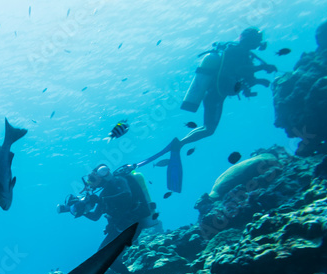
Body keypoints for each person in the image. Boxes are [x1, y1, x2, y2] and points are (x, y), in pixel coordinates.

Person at [141, 27, 277, 192]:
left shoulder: (242, 54)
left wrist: (260, 81)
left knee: (207, 127)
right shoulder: (237, 52)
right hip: (215, 95)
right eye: (256, 39)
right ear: (250, 40)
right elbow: (240, 71)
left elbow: (245, 78)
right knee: (210, 129)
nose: (258, 43)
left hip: (215, 94)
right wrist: (262, 68)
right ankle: (180, 144)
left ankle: (180, 143)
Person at [57, 164, 161, 249]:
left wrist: (101, 200)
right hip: (122, 226)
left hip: (134, 222)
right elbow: (95, 217)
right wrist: (82, 211)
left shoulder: (119, 180)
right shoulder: (103, 194)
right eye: (88, 179)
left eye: (92, 179)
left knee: (105, 252)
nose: (89, 182)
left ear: (102, 176)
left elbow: (127, 195)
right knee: (105, 253)